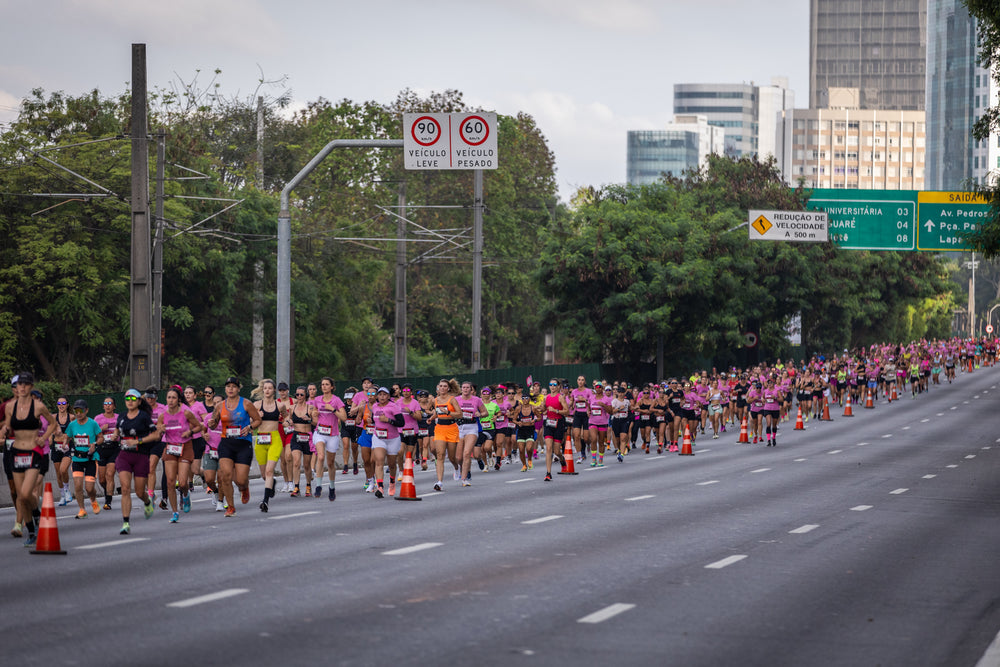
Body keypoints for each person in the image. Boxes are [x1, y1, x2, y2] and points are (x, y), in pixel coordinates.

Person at [0, 373, 56, 546]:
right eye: (19, 385)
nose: (22, 387)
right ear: (15, 388)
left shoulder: (38, 406)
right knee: (21, 496)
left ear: (31, 387)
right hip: (16, 452)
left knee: (26, 493)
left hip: (34, 451)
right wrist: (3, 432)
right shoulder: (10, 407)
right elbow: (8, 425)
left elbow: (53, 423)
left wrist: (44, 437)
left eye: (25, 384)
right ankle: (32, 530)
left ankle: (36, 512)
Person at [206, 377, 262, 517]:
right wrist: (211, 424)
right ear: (225, 389)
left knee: (241, 480)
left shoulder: (247, 404)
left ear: (238, 388)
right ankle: (230, 507)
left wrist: (249, 427)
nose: (230, 389)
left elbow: (258, 420)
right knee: (226, 476)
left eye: (233, 386)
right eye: (228, 386)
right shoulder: (220, 406)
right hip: (226, 443)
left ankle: (244, 488)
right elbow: (213, 423)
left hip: (243, 444)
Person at [115, 389, 160, 534]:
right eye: (127, 398)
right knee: (125, 488)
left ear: (139, 401)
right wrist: (114, 436)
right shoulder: (121, 416)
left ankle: (147, 502)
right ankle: (126, 523)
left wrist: (139, 440)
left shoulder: (144, 417)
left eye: (133, 398)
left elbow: (156, 435)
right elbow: (117, 431)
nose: (130, 401)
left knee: (140, 492)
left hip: (140, 456)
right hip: (124, 456)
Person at [157, 387, 203, 522]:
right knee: (170, 482)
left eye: (174, 398)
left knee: (182, 483)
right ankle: (175, 512)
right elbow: (158, 431)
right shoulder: (162, 415)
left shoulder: (186, 413)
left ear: (178, 400)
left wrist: (190, 432)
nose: (171, 400)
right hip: (170, 448)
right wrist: (160, 430)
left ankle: (185, 494)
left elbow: (198, 426)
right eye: (169, 397)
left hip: (185, 447)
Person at [64, 399, 104, 519]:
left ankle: (93, 499)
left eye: (81, 410)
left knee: (89, 488)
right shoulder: (72, 425)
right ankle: (82, 510)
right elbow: (67, 435)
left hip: (90, 459)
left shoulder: (92, 424)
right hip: (77, 459)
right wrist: (65, 443)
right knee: (77, 486)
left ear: (86, 410)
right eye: (76, 411)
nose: (78, 413)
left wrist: (95, 445)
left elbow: (101, 437)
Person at [251, 379, 287, 511]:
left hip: (275, 439)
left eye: (269, 388)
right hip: (261, 440)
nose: (267, 390)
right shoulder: (256, 405)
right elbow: (250, 421)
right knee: (264, 475)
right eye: (265, 388)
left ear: (274, 391)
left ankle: (265, 502)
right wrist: (256, 417)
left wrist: (288, 422)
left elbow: (286, 416)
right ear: (263, 390)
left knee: (269, 470)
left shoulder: (280, 406)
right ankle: (272, 482)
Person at [312, 377, 346, 502]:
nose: (324, 386)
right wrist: (313, 415)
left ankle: (332, 487)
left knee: (330, 463)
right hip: (320, 432)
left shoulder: (336, 400)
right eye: (322, 384)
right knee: (320, 457)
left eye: (327, 384)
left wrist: (333, 409)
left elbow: (344, 417)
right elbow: (314, 418)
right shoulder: (317, 400)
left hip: (333, 434)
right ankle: (318, 485)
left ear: (332, 387)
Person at [370, 387, 405, 498]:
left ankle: (392, 482)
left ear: (389, 396)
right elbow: (373, 419)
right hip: (378, 437)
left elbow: (401, 423)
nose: (382, 397)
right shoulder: (375, 406)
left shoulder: (393, 407)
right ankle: (380, 487)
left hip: (392, 438)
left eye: (384, 395)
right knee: (379, 460)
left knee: (391, 464)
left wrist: (389, 420)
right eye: (380, 394)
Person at [283, 386, 317, 497]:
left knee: (306, 465)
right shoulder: (292, 407)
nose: (299, 397)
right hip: (296, 437)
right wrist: (288, 422)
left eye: (301, 395)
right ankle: (296, 486)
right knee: (296, 461)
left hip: (307, 438)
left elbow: (316, 423)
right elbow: (288, 419)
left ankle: (308, 485)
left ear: (305, 395)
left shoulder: (311, 408)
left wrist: (310, 420)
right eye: (297, 395)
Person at [430, 379, 461, 491]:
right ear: (438, 387)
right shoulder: (436, 400)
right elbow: (436, 412)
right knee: (440, 454)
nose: (442, 388)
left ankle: (457, 467)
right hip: (440, 429)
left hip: (452, 428)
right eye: (441, 386)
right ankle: (439, 482)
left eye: (444, 386)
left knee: (452, 456)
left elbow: (460, 414)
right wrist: (431, 418)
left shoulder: (452, 400)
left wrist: (448, 412)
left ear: (448, 388)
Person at [455, 381, 488, 486]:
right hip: (459, 427)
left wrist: (480, 414)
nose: (465, 389)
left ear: (471, 389)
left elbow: (485, 412)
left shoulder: (477, 400)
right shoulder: (456, 400)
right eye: (463, 387)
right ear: (461, 389)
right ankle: (462, 467)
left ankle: (464, 478)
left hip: (471, 428)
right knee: (459, 457)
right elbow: (451, 411)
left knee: (467, 453)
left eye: (467, 387)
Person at [542, 379, 571, 482]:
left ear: (558, 387)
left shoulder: (561, 397)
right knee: (549, 448)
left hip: (559, 424)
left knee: (556, 451)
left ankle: (562, 459)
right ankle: (548, 473)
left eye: (555, 384)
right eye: (551, 384)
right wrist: (539, 408)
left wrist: (556, 410)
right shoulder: (546, 397)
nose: (552, 386)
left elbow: (567, 412)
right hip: (549, 424)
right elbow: (543, 409)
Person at [95, 397, 120, 511]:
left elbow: (123, 431)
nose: (108, 405)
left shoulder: (118, 418)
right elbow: (93, 434)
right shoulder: (98, 418)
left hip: (114, 448)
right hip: (102, 449)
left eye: (110, 403)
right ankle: (107, 491)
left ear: (114, 406)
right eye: (106, 403)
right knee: (102, 479)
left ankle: (108, 501)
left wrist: (116, 434)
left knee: (110, 474)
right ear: (103, 406)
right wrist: (101, 429)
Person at [51, 395, 73, 506]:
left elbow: (77, 429)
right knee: (58, 473)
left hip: (68, 447)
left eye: (63, 404)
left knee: (63, 470)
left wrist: (66, 436)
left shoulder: (72, 417)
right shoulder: (53, 417)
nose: (61, 406)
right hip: (56, 447)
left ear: (67, 405)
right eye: (59, 404)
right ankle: (62, 496)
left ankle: (67, 490)